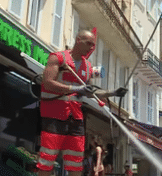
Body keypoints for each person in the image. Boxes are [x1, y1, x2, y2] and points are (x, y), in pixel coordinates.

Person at [36, 30, 128, 176]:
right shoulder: (58, 58)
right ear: (78, 40)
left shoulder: (87, 67)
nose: (92, 48)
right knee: (47, 160)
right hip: (54, 115)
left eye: (93, 45)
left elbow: (90, 92)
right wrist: (75, 88)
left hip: (76, 118)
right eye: (89, 43)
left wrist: (113, 92)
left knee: (75, 163)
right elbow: (47, 83)